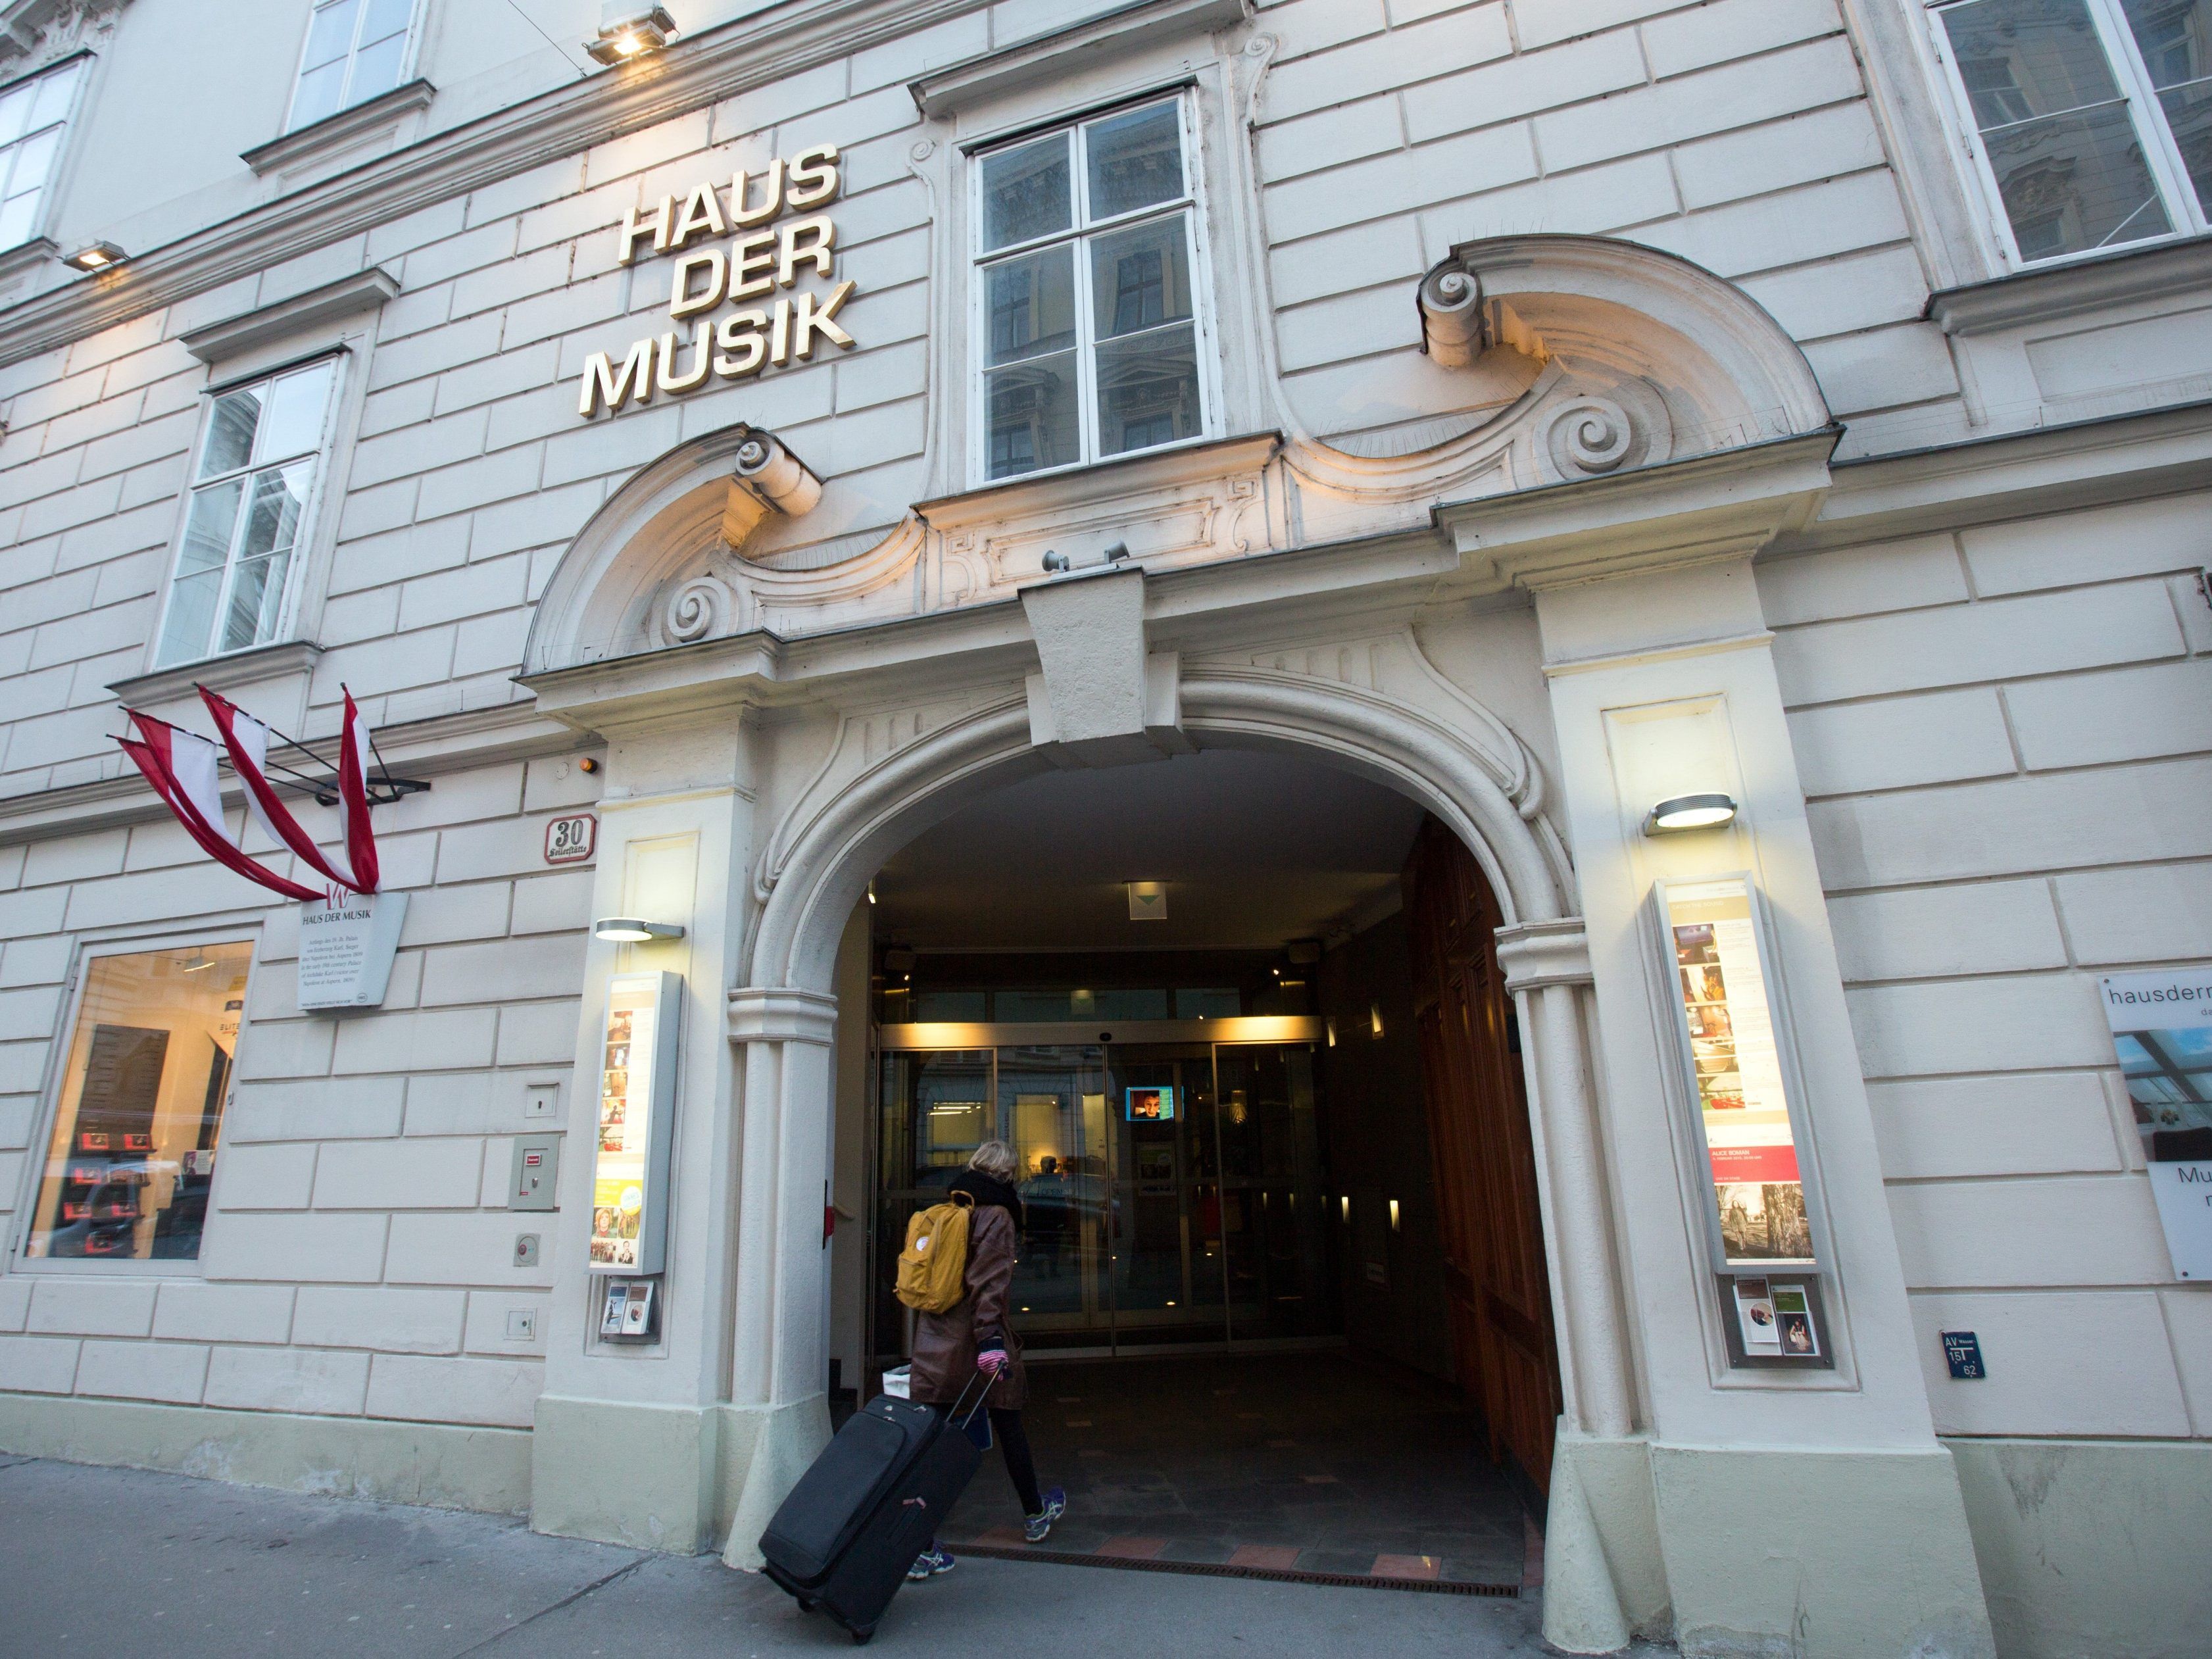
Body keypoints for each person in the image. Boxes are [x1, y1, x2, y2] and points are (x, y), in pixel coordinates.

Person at [904, 1139, 1066, 1581]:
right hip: (975, 1339)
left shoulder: (948, 1209)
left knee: (930, 1437)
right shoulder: (996, 1215)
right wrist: (991, 1340)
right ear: (1009, 1174)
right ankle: (1032, 1514)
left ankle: (914, 1540)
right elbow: (989, 1284)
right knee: (1006, 1419)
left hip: (936, 1336)